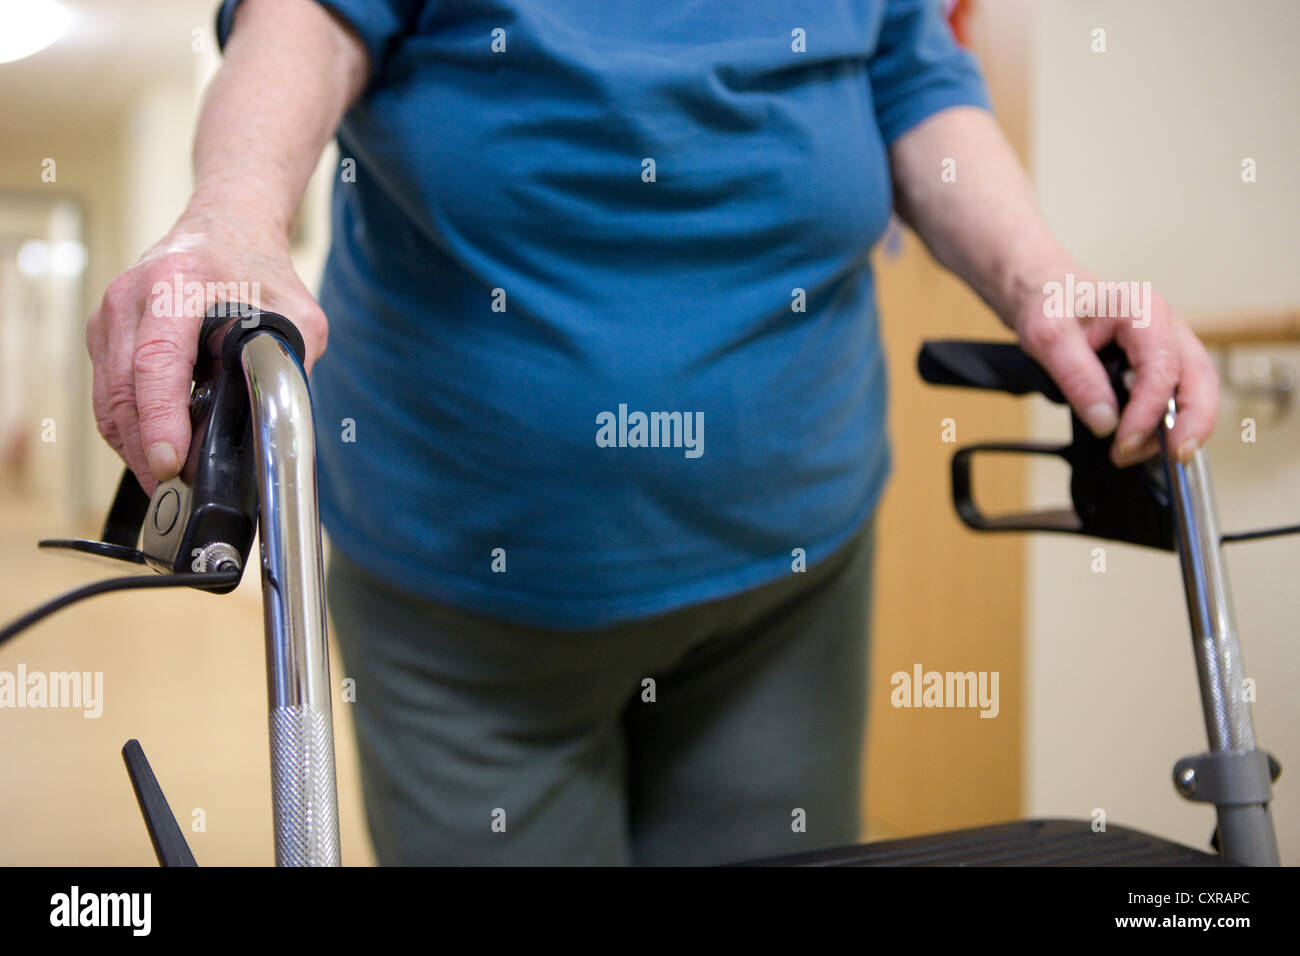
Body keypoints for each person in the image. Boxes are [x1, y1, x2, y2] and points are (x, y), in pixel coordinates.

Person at [85, 0, 1219, 865]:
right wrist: (232, 215)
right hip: (463, 586)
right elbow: (308, 21)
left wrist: (1046, 280)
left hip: (786, 568)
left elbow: (912, 73)